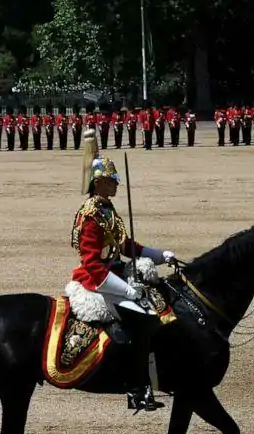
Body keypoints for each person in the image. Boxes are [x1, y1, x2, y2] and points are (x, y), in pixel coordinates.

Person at [67, 131, 174, 412]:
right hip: (96, 279)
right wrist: (126, 289)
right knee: (139, 318)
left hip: (114, 269)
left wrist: (159, 255)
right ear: (99, 182)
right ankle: (137, 388)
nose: (116, 185)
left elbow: (125, 244)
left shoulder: (106, 208)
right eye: (111, 181)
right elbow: (91, 262)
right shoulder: (90, 214)